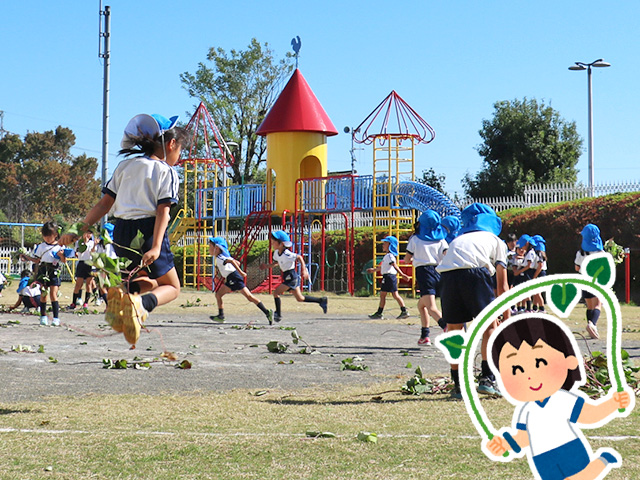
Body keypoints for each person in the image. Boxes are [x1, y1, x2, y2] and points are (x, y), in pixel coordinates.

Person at [60, 113, 188, 346]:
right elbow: (163, 212)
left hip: (122, 233)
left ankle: (123, 296)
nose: (178, 156)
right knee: (172, 287)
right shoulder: (166, 171)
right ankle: (140, 306)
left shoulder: (125, 166)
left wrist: (78, 229)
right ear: (170, 144)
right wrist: (157, 246)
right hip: (148, 230)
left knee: (147, 282)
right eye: (179, 150)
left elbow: (103, 204)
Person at [486, 315, 631, 480]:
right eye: (516, 370)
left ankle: (602, 460)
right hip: (542, 458)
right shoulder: (527, 410)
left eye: (540, 363)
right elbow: (524, 437)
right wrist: (504, 445)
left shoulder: (562, 400)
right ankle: (602, 461)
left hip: (569, 449)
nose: (530, 376)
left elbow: (590, 415)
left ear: (569, 362)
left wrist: (613, 404)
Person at [436, 203, 509, 398]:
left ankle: (459, 384)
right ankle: (487, 379)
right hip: (476, 275)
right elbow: (502, 285)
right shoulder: (495, 240)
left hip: (448, 277)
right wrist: (506, 315)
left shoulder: (458, 239)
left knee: (455, 330)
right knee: (489, 327)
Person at [259, 231, 327, 322]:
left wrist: (304, 270)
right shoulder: (276, 253)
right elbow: (277, 262)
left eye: (274, 241)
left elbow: (299, 257)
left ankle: (278, 314)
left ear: (281, 244)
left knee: (276, 293)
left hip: (291, 276)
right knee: (300, 298)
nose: (272, 243)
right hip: (288, 276)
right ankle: (321, 300)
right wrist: (267, 266)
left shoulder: (287, 254)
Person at [403, 210, 448, 345]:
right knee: (421, 305)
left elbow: (406, 259)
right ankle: (424, 336)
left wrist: (413, 258)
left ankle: (447, 328)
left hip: (424, 273)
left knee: (431, 307)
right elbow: (447, 254)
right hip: (439, 271)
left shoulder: (415, 239)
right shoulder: (441, 240)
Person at [208, 236, 273, 324]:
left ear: (216, 248)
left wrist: (241, 272)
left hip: (234, 277)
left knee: (249, 297)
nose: (209, 248)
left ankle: (267, 312)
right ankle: (221, 316)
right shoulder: (223, 256)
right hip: (232, 277)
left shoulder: (220, 257)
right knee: (219, 295)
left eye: (210, 246)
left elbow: (232, 262)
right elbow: (236, 262)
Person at [20, 221, 67, 326]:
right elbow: (37, 260)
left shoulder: (60, 246)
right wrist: (26, 257)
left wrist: (61, 255)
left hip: (54, 270)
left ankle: (56, 318)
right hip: (43, 271)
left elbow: (64, 261)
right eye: (45, 236)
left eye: (49, 236)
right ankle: (43, 316)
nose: (47, 238)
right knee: (43, 294)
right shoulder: (41, 247)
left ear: (55, 235)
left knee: (53, 294)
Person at [367, 235, 411, 320]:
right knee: (384, 295)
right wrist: (374, 270)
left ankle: (403, 311)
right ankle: (380, 312)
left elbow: (394, 265)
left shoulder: (390, 256)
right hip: (387, 277)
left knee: (393, 295)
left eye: (385, 243)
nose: (383, 245)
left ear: (390, 245)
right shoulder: (387, 256)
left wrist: (402, 274)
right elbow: (384, 267)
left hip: (389, 277)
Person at [575, 224, 605, 340]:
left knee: (590, 306)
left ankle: (592, 327)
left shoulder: (581, 253)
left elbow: (577, 268)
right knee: (598, 304)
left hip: (584, 279)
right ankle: (592, 324)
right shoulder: (600, 252)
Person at [67, 231, 96, 310]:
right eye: (87, 233)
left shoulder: (92, 243)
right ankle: (74, 302)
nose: (88, 235)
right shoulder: (78, 242)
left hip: (89, 263)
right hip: (82, 263)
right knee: (78, 284)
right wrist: (84, 242)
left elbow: (92, 252)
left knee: (88, 284)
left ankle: (86, 303)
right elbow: (80, 251)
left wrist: (89, 243)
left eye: (90, 233)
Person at [530, 234, 548, 313]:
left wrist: (534, 276)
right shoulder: (540, 253)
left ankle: (542, 308)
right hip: (539, 273)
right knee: (535, 291)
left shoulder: (539, 254)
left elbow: (540, 266)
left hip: (540, 273)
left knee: (537, 292)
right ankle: (534, 307)